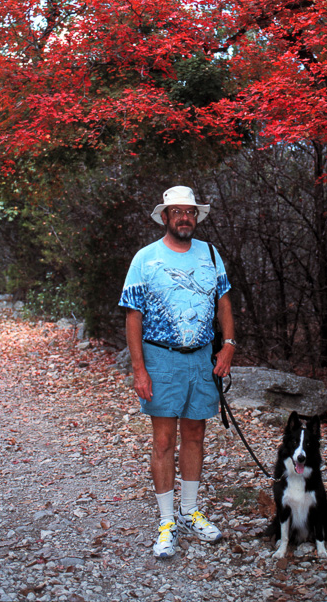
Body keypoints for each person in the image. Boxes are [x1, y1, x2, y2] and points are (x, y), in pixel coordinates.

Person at [119, 186, 236, 559]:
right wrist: (139, 370)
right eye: (177, 212)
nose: (185, 217)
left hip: (201, 358)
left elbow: (224, 302)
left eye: (190, 212)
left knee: (196, 435)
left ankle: (190, 511)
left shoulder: (211, 255)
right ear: (165, 217)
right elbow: (132, 317)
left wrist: (229, 346)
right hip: (161, 359)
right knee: (164, 441)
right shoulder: (145, 258)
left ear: (195, 217)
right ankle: (167, 521)